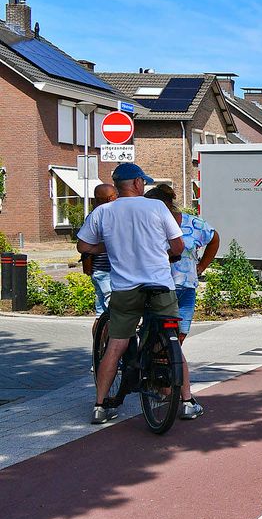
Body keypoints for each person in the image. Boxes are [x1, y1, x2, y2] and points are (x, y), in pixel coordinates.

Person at [76, 163, 195, 425]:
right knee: (170, 338)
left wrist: (105, 249)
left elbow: (83, 245)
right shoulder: (156, 207)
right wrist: (169, 254)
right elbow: (178, 245)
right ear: (138, 183)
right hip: (160, 286)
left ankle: (99, 407)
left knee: (117, 345)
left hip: (125, 289)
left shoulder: (103, 212)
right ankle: (186, 402)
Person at [145, 184, 219, 343]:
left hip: (186, 286)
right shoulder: (146, 226)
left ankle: (172, 363)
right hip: (159, 287)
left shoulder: (193, 223)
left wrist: (201, 266)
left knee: (182, 332)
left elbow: (214, 239)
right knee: (155, 331)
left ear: (167, 205)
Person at [81, 183, 117, 316]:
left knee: (100, 312)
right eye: (115, 196)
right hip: (106, 269)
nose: (117, 198)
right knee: (114, 309)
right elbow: (83, 246)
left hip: (97, 270)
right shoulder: (108, 216)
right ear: (109, 199)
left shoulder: (92, 216)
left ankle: (99, 336)